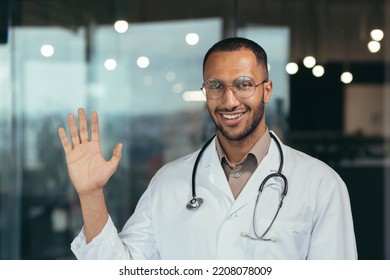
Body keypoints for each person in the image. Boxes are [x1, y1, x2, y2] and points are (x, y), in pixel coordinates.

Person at [58, 37, 357, 259]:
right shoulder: (169, 182)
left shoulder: (320, 184)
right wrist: (90, 194)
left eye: (243, 84)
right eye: (216, 86)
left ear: (266, 90)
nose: (229, 101)